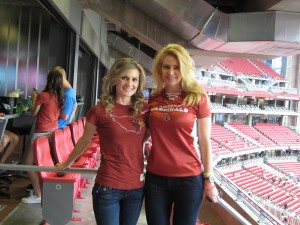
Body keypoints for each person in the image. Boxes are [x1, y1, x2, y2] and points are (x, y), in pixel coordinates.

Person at [55, 57, 147, 225]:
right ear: (115, 78)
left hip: (136, 188)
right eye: (124, 77)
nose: (130, 83)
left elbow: (146, 137)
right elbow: (84, 141)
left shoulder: (143, 110)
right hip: (108, 188)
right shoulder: (99, 111)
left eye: (135, 79)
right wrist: (66, 162)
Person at [145, 43, 219, 225]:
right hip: (156, 178)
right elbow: (144, 132)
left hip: (189, 179)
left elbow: (204, 142)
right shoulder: (154, 98)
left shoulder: (197, 98)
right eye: (167, 67)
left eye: (176, 67)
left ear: (185, 69)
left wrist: (208, 179)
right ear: (160, 69)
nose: (171, 72)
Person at [21, 70, 65, 204]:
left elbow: (34, 113)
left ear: (49, 80)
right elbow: (59, 115)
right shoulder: (60, 97)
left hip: (40, 133)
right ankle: (41, 191)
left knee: (27, 163)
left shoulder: (43, 95)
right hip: (53, 132)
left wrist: (35, 100)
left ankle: (38, 193)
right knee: (42, 164)